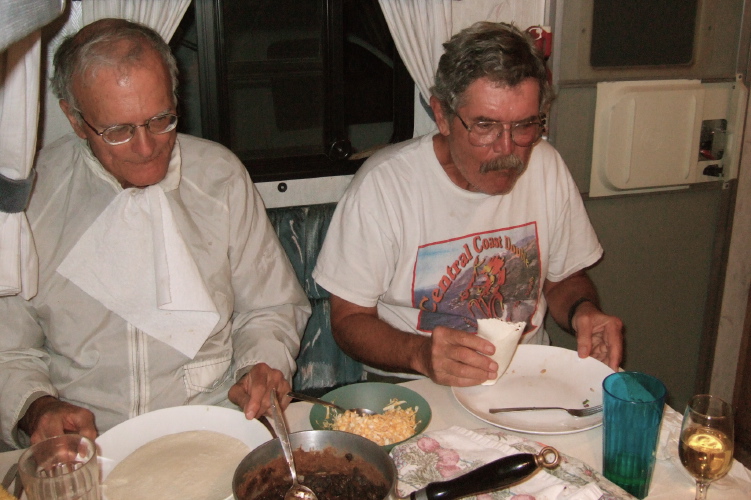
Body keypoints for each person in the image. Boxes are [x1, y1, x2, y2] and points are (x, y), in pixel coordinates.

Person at [0, 19, 311, 448]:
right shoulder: (30, 200)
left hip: (216, 427)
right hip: (92, 446)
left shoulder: (219, 177)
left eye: (160, 119)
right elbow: (9, 350)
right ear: (74, 118)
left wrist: (257, 367)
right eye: (119, 131)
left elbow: (272, 306)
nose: (147, 148)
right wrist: (38, 407)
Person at [312, 22, 623, 387]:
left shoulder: (546, 165)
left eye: (524, 125)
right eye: (485, 126)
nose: (507, 149)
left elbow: (563, 279)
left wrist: (583, 312)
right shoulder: (386, 186)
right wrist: (420, 355)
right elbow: (348, 320)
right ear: (442, 115)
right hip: (416, 383)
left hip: (525, 372)